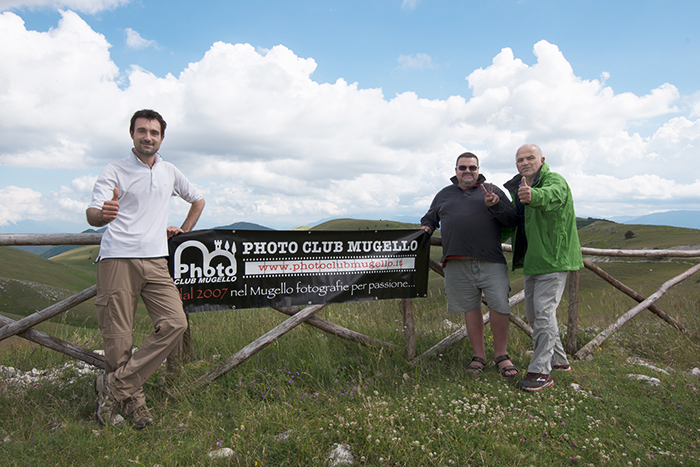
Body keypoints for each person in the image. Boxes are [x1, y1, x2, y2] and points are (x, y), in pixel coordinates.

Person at [86, 109, 205, 428]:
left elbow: (198, 200)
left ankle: (113, 386)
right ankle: (134, 405)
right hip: (117, 259)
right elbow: (92, 213)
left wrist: (184, 229)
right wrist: (103, 214)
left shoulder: (169, 171)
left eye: (154, 132)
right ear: (132, 134)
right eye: (142, 131)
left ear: (162, 138)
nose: (148, 137)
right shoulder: (114, 170)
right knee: (118, 337)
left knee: (174, 323)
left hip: (155, 260)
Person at [421, 152, 519, 378]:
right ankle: (479, 357)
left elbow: (512, 220)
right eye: (462, 168)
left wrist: (495, 206)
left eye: (472, 168)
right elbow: (430, 217)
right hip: (457, 263)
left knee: (500, 307)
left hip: (491, 260)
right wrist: (426, 228)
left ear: (478, 170)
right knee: (470, 309)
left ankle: (501, 356)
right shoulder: (443, 194)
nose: (467, 171)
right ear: (455, 170)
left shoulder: (492, 191)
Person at [503, 144, 583, 392]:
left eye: (529, 158)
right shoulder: (518, 188)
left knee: (544, 313)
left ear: (542, 160)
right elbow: (515, 224)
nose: (524, 163)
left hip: (554, 259)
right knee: (536, 314)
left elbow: (551, 195)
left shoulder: (554, 180)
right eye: (519, 160)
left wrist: (532, 196)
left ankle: (541, 372)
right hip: (533, 260)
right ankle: (560, 362)